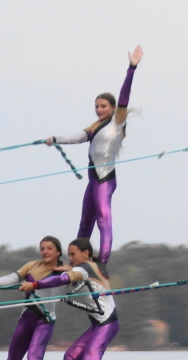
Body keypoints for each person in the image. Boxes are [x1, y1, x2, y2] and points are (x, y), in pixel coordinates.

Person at [46, 45, 144, 274]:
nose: (99, 110)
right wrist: (56, 138)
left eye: (103, 106)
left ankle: (103, 261)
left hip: (105, 179)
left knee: (103, 219)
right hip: (93, 181)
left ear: (112, 108)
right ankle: (75, 260)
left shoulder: (117, 121)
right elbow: (78, 137)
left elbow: (124, 97)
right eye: (96, 106)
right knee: (84, 223)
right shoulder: (94, 126)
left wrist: (131, 68)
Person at [19, 238, 118, 360]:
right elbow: (69, 270)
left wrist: (35, 284)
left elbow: (62, 279)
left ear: (85, 253)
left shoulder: (86, 268)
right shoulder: (86, 266)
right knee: (70, 358)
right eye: (68, 254)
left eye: (73, 254)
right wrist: (64, 268)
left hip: (108, 323)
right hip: (96, 324)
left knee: (89, 359)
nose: (70, 257)